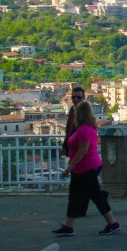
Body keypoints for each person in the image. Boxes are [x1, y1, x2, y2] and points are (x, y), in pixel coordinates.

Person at [52, 101, 121, 236]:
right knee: (76, 197)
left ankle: (113, 223)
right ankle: (68, 226)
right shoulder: (90, 129)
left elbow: (82, 151)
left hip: (85, 168)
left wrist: (69, 167)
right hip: (84, 168)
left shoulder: (83, 130)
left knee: (95, 196)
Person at [61, 85, 85, 156]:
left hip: (79, 147)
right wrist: (65, 146)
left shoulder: (85, 112)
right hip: (71, 147)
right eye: (73, 97)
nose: (76, 99)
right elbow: (69, 129)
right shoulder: (72, 109)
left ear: (83, 98)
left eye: (79, 97)